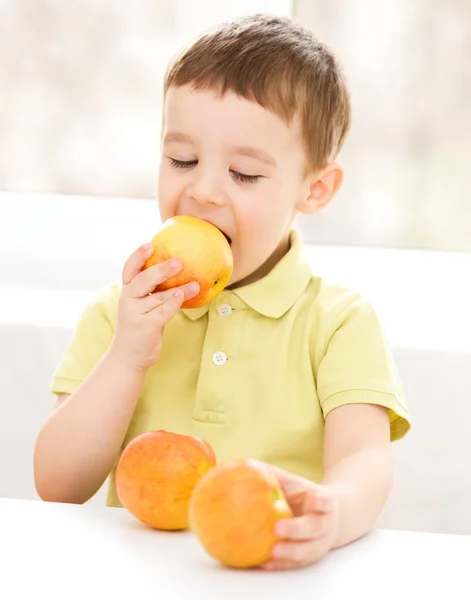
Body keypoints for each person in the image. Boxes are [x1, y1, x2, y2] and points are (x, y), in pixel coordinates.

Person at [34, 14, 411, 570]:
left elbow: (364, 461)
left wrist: (333, 513)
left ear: (315, 188)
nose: (203, 191)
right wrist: (129, 355)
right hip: (136, 579)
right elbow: (57, 486)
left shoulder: (339, 323)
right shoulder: (118, 316)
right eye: (181, 160)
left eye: (244, 173)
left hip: (275, 576)